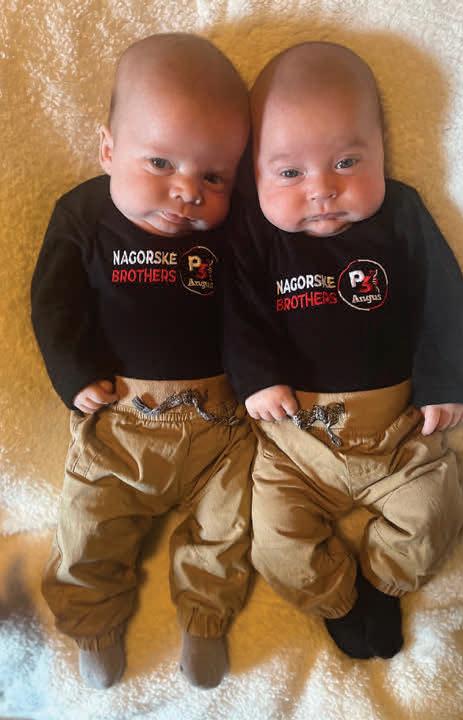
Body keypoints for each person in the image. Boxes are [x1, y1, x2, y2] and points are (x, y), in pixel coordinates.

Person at [224, 41, 463, 660]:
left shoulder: (402, 214)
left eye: (346, 162)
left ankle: (385, 582)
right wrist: (256, 377)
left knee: (439, 511)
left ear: (382, 149)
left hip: (398, 431)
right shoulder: (253, 231)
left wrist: (445, 380)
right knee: (275, 542)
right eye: (289, 173)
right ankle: (339, 598)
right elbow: (235, 309)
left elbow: (442, 295)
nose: (322, 190)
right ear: (254, 172)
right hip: (296, 440)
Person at [31, 33, 254, 689]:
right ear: (108, 149)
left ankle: (206, 618)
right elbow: (54, 303)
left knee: (231, 522)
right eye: (159, 162)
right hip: (120, 418)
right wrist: (72, 376)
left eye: (213, 177)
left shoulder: (233, 228)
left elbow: (255, 306)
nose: (186, 191)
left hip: (220, 423)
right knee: (88, 524)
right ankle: (92, 623)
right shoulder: (83, 214)